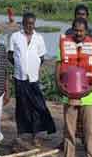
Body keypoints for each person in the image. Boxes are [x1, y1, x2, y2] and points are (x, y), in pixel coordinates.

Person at [56, 17, 92, 157]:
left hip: (88, 96)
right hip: (68, 95)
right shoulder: (64, 43)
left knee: (89, 133)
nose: (78, 33)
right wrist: (59, 86)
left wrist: (89, 90)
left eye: (81, 30)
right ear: (72, 29)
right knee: (69, 131)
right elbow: (58, 65)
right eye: (76, 30)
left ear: (86, 31)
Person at [8, 12, 56, 146]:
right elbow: (11, 55)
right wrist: (20, 66)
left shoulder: (39, 38)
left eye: (32, 24)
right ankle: (20, 135)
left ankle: (36, 135)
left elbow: (41, 58)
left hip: (33, 79)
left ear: (34, 24)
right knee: (21, 106)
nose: (29, 26)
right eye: (27, 23)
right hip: (19, 78)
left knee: (36, 106)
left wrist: (32, 67)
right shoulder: (15, 37)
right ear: (22, 23)